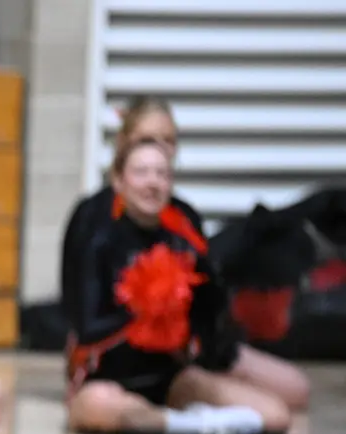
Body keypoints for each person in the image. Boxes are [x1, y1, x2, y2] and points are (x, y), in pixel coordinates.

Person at [66, 95, 311, 411]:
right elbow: (80, 313)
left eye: (169, 141)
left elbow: (209, 299)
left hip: (180, 358)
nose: (161, 149)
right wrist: (147, 310)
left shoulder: (183, 218)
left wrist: (205, 337)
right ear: (124, 146)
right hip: (115, 357)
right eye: (147, 140)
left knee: (294, 390)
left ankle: (210, 408)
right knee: (112, 408)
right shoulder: (93, 217)